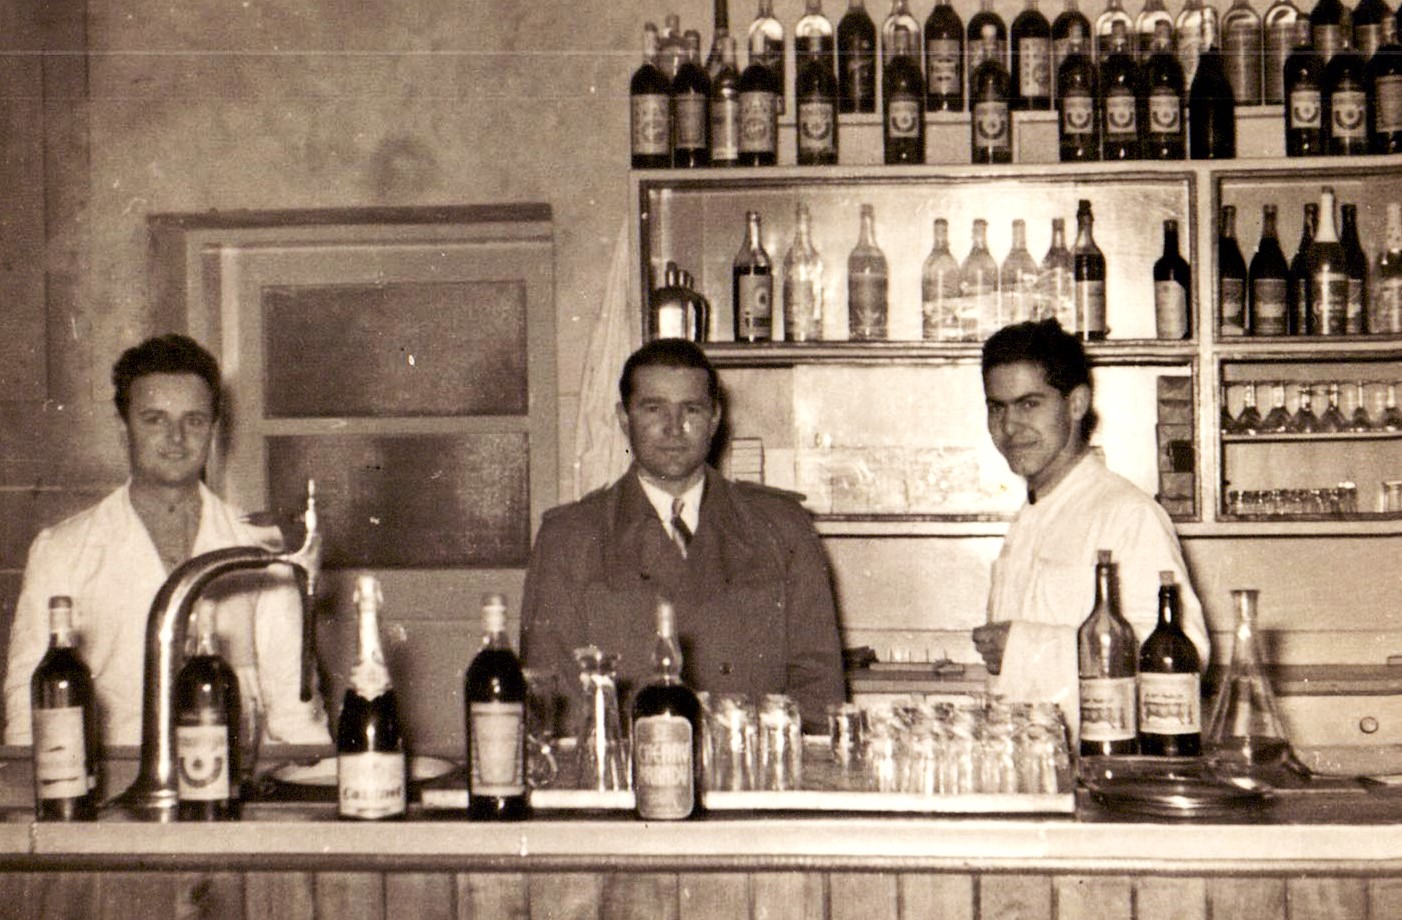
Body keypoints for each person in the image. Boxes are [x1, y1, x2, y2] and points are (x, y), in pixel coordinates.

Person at [3, 334, 330, 746]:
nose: (176, 439)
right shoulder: (62, 550)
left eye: (194, 420)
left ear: (213, 429)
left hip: (235, 775)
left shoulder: (261, 546)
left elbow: (295, 715)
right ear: (123, 428)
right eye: (155, 419)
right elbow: (27, 714)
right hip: (109, 779)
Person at [520, 338, 845, 733]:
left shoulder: (781, 528)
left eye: (691, 409)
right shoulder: (570, 538)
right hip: (628, 768)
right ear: (624, 418)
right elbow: (551, 703)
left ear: (715, 418)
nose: (674, 428)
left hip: (749, 766)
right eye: (653, 408)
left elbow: (818, 691)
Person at [972, 319, 1209, 719]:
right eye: (997, 408)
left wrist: (1026, 648)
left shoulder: (1128, 514)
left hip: (1105, 754)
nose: (1009, 427)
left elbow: (1184, 655)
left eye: (1029, 404)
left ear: (1076, 404)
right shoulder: (1032, 514)